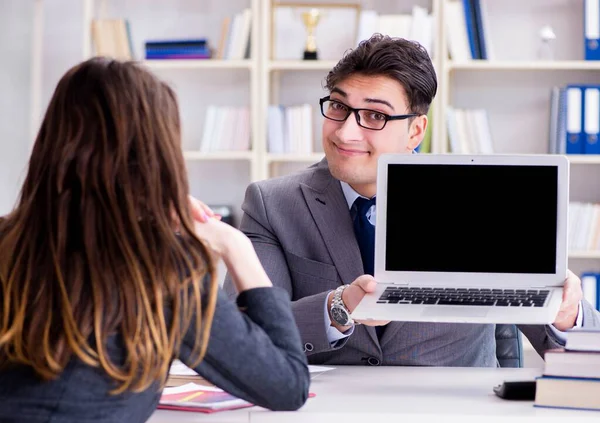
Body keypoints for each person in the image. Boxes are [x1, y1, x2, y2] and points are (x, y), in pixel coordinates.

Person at [222, 34, 600, 366]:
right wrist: (337, 308)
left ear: (415, 130)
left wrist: (566, 316)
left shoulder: (487, 200)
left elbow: (580, 347)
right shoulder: (272, 204)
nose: (345, 132)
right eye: (338, 106)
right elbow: (241, 338)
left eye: (374, 115)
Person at [0, 57, 309, 423]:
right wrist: (235, 246)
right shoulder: (162, 269)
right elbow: (287, 385)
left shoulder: (9, 243)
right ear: (156, 158)